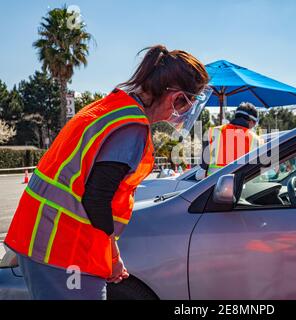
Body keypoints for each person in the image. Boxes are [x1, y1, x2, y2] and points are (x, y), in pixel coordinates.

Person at [5, 44, 211, 300]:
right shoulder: (131, 127)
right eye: (187, 103)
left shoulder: (111, 108)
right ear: (175, 98)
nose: (184, 113)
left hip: (37, 241)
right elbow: (97, 198)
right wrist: (112, 257)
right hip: (66, 252)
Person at [196, 102, 263, 179]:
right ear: (251, 121)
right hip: (242, 188)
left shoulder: (212, 132)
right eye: (255, 123)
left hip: (212, 186)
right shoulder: (257, 140)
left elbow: (203, 166)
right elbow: (257, 171)